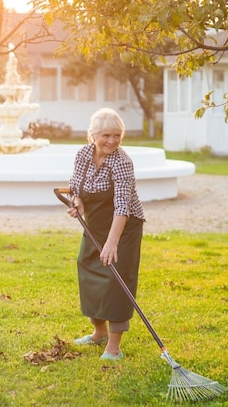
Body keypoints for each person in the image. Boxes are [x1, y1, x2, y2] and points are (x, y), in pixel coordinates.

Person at [67, 108, 146, 360]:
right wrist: (77, 202)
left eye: (117, 135)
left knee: (115, 281)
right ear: (92, 135)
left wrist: (112, 244)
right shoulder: (83, 155)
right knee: (87, 268)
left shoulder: (122, 162)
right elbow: (74, 187)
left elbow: (122, 206)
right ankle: (98, 332)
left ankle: (114, 347)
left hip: (124, 227)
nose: (112, 141)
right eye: (105, 135)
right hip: (95, 225)